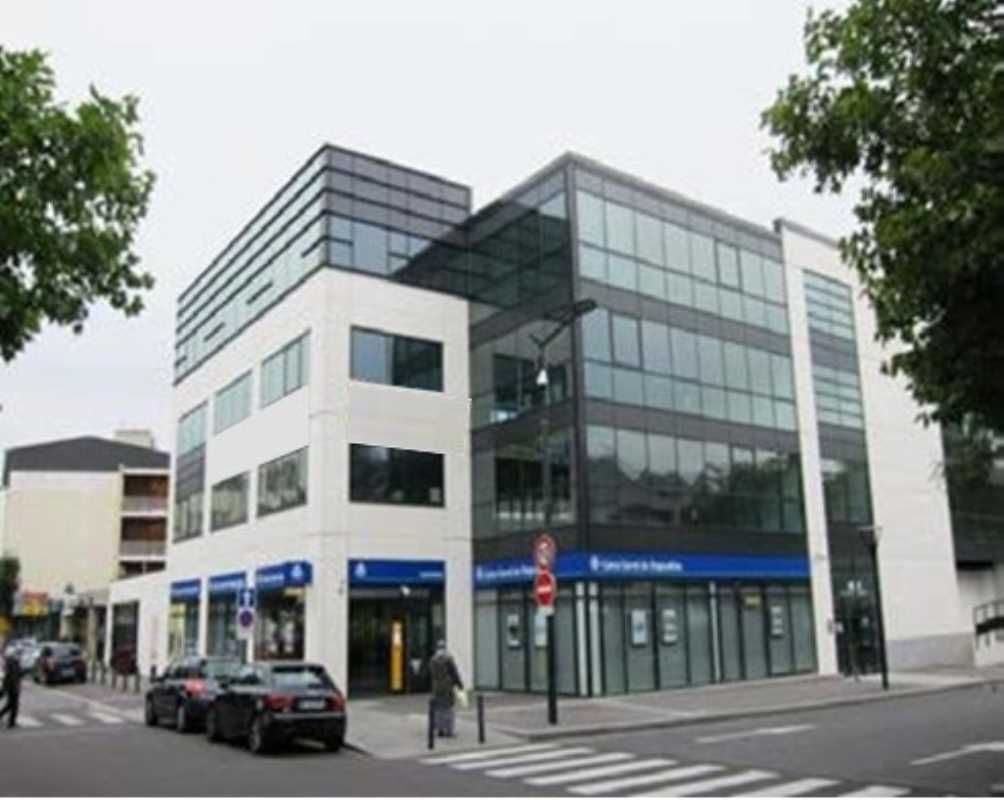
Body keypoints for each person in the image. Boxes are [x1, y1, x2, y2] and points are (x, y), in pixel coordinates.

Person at [428, 639, 464, 738]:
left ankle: (440, 729)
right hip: (447, 686)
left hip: (437, 687)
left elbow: (432, 674)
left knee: (438, 708)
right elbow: (454, 673)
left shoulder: (433, 660)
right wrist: (459, 684)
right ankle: (449, 730)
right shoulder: (448, 659)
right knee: (449, 708)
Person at [0, 651, 22, 729]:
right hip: (12, 687)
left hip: (12, 686)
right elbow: (13, 675)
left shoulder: (11, 663)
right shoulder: (12, 663)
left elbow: (17, 674)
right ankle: (11, 722)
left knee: (11, 704)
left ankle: (11, 722)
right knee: (14, 705)